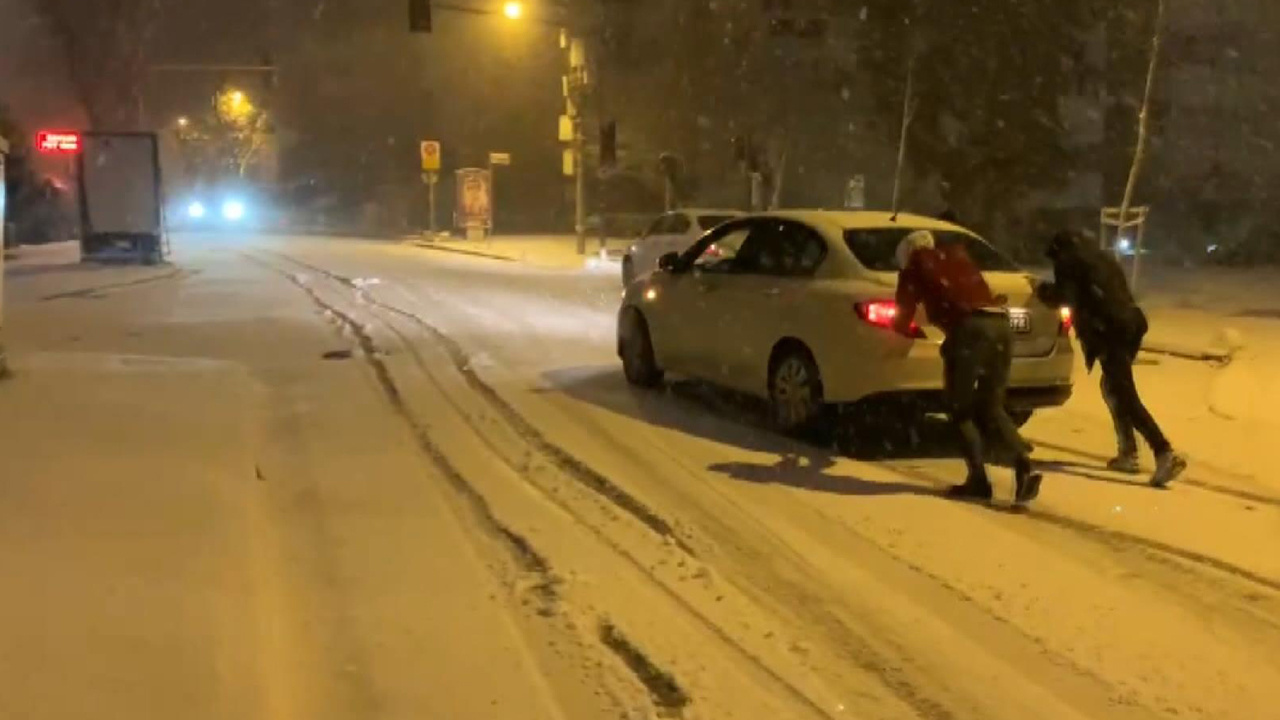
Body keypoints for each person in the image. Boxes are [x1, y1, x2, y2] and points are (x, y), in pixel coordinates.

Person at [894, 230, 1042, 504]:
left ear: (907, 253)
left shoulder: (916, 264)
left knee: (959, 408)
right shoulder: (958, 257)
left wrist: (904, 328)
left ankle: (978, 479)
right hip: (1000, 327)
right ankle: (1025, 466)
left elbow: (903, 310)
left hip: (969, 331)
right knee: (991, 405)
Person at [1036, 231, 1187, 487]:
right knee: (1112, 388)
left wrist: (1043, 291)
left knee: (1123, 393)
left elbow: (1065, 298)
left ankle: (1164, 452)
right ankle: (1128, 451)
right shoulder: (1101, 258)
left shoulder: (1068, 262)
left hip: (1108, 328)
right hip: (1131, 322)